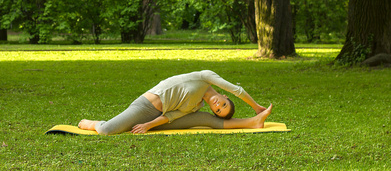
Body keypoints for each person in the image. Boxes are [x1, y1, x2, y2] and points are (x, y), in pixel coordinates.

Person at [78, 70, 272, 135]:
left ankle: (253, 122)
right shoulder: (205, 77)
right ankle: (93, 123)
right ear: (225, 96)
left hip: (158, 117)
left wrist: (148, 125)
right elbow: (236, 89)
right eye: (223, 104)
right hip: (146, 106)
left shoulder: (197, 106)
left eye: (218, 109)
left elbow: (172, 116)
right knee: (106, 131)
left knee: (206, 120)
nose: (217, 105)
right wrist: (256, 106)